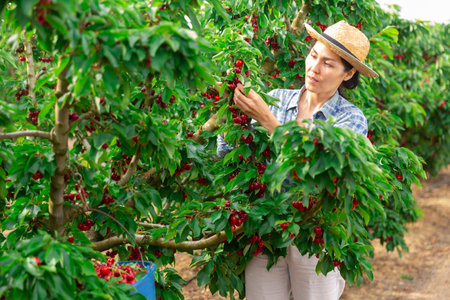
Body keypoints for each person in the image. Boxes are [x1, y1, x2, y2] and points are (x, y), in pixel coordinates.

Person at [217, 20, 378, 300]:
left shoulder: (349, 120)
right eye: (313, 55)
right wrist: (228, 111)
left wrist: (269, 122)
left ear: (348, 73)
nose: (315, 68)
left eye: (328, 64)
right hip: (265, 229)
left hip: (314, 232)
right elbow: (226, 153)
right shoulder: (277, 99)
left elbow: (319, 172)